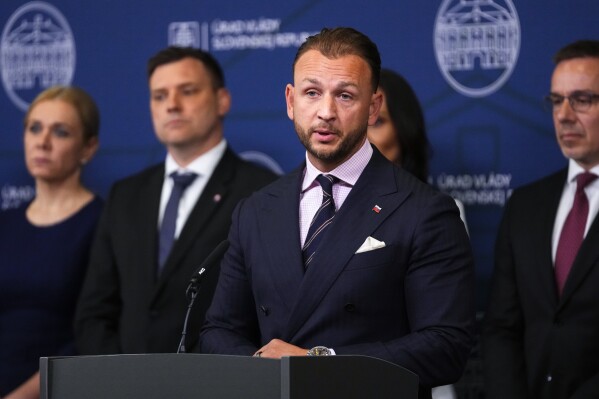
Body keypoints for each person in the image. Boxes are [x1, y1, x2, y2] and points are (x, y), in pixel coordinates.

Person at [200, 27, 475, 398]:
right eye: (312, 93)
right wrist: (261, 369)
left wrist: (318, 363)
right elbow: (218, 331)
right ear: (290, 101)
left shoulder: (424, 211)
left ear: (373, 107)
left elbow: (446, 346)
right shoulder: (254, 210)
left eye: (345, 95)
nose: (326, 112)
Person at [74, 46, 276, 355]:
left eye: (188, 91)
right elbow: (95, 312)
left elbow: (269, 311)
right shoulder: (125, 195)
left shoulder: (262, 193)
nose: (172, 105)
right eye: (159, 96)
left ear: (222, 100)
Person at [483, 39, 599, 399]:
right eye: (556, 100)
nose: (564, 114)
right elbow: (502, 327)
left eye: (582, 99)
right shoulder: (525, 205)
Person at [0, 86, 102, 398]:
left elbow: (91, 332)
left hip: (60, 389)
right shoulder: (5, 223)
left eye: (60, 132)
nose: (42, 142)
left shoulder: (104, 222)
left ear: (88, 147)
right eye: (35, 128)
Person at [368, 69, 464, 399]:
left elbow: (439, 339)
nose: (363, 138)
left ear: (404, 130)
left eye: (378, 122)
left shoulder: (437, 213)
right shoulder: (316, 212)